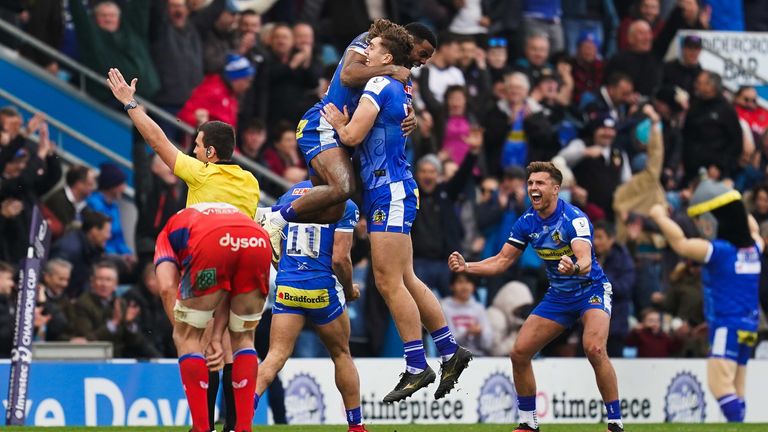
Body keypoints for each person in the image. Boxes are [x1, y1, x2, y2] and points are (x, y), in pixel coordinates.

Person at [321, 26, 472, 403]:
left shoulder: (378, 86)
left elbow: (353, 137)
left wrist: (337, 121)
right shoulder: (400, 88)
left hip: (387, 190)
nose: (365, 53)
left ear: (387, 57)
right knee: (405, 276)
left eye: (371, 48)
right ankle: (451, 351)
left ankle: (417, 364)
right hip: (397, 187)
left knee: (388, 282)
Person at [448, 161, 625, 432]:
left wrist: (574, 266)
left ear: (556, 189)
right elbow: (501, 261)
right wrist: (467, 266)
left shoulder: (573, 218)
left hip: (591, 290)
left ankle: (615, 423)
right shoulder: (527, 222)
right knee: (519, 353)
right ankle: (529, 423)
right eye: (530, 183)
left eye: (540, 183)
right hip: (559, 296)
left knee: (595, 348)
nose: (533, 188)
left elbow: (586, 259)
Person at [259, 19, 436, 259]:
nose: (423, 61)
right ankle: (274, 220)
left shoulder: (402, 74)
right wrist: (391, 69)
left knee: (333, 211)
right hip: (324, 123)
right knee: (343, 187)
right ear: (410, 41)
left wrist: (410, 114)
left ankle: (270, 217)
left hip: (342, 134)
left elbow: (394, 102)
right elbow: (349, 75)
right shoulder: (373, 42)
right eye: (423, 53)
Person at [256, 181, 367, 432]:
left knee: (274, 357)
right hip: (322, 289)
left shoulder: (289, 195)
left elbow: (272, 243)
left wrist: (284, 272)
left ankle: (239, 423)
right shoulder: (344, 203)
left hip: (287, 288)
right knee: (341, 354)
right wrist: (349, 290)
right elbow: (340, 259)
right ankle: (356, 427)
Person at [649, 177, 762, 423]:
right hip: (749, 326)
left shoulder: (720, 251)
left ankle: (736, 425)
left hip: (727, 325)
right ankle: (739, 425)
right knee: (737, 385)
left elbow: (681, 244)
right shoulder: (755, 248)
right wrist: (733, 197)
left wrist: (659, 217)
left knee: (719, 384)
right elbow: (751, 227)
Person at [154, 203, 271, 432]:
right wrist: (216, 336)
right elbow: (228, 289)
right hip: (256, 238)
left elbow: (167, 288)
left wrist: (184, 332)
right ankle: (244, 428)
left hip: (212, 243)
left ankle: (201, 428)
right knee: (244, 336)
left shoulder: (166, 235)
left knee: (187, 337)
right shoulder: (208, 215)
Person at [106, 68, 260, 218]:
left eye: (198, 146)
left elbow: (157, 141)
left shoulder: (200, 173)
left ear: (210, 151)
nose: (194, 151)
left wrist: (129, 102)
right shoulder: (251, 181)